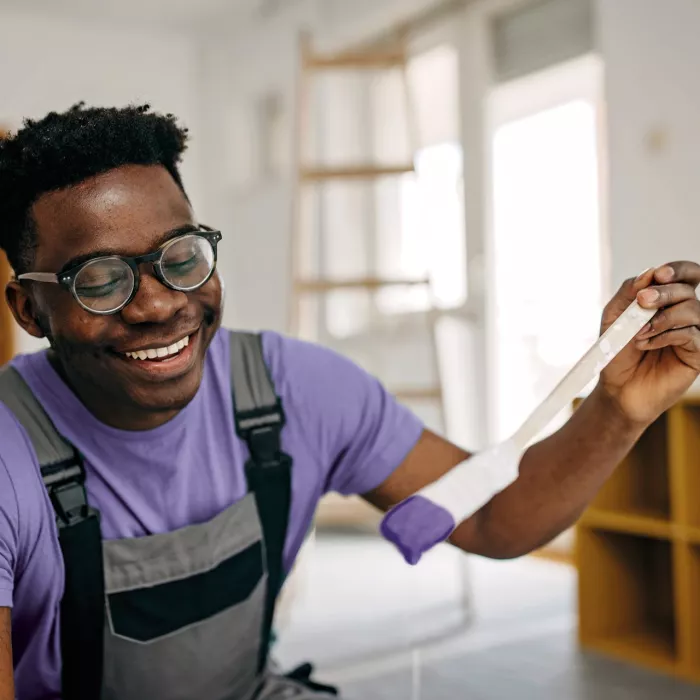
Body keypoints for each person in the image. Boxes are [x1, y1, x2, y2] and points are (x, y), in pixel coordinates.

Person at [0, 103, 698, 700]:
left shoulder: (292, 390)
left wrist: (618, 407)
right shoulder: (8, 453)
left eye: (179, 257)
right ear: (30, 310)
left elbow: (495, 521)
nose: (156, 304)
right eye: (98, 279)